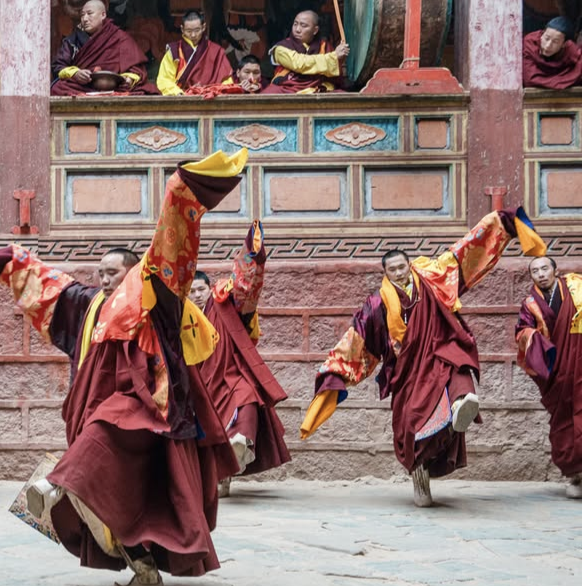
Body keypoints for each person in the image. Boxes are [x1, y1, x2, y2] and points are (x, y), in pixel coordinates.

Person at [0, 148, 248, 586]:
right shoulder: (89, 303)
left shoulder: (157, 292)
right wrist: (9, 264)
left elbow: (171, 242)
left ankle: (55, 487)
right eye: (101, 272)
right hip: (98, 404)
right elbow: (50, 284)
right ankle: (144, 572)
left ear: (133, 271)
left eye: (112, 272)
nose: (105, 278)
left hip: (146, 408)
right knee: (126, 496)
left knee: (98, 453)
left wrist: (181, 191)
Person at [301, 208, 547, 507]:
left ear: (409, 265)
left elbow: (465, 251)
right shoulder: (377, 303)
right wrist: (334, 372)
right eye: (392, 269)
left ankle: (461, 406)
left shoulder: (432, 277)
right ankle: (421, 484)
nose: (399, 271)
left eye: (402, 266)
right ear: (386, 272)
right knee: (412, 426)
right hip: (407, 372)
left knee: (459, 371)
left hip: (441, 349)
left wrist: (503, 223)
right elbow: (356, 340)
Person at [188, 221, 289, 497]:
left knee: (248, 399)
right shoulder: (182, 317)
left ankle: (240, 446)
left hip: (232, 375)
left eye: (200, 290)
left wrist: (252, 253)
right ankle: (221, 473)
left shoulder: (224, 304)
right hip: (203, 384)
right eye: (190, 292)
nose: (196, 296)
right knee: (207, 430)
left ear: (209, 289)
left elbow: (246, 287)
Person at [515, 256, 582, 499]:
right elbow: (521, 331)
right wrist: (533, 337)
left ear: (556, 270)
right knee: (564, 421)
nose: (541, 274)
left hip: (580, 362)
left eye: (545, 268)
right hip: (557, 372)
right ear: (531, 276)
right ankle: (575, 474)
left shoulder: (577, 289)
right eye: (535, 271)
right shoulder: (530, 303)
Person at [51, 0, 157, 96]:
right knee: (58, 88)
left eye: (90, 14)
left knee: (145, 90)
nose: (85, 19)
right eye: (82, 15)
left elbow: (137, 69)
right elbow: (58, 67)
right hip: (82, 86)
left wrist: (128, 78)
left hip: (116, 87)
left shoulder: (119, 37)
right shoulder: (73, 40)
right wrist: (75, 73)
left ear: (103, 15)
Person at [263, 10, 348, 93]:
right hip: (289, 88)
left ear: (315, 30)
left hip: (318, 88)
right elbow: (299, 64)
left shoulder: (324, 46)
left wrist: (340, 57)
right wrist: (334, 57)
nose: (297, 29)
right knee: (270, 92)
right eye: (295, 24)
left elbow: (334, 73)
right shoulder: (280, 48)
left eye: (303, 26)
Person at [156, 11, 237, 96]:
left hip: (210, 98)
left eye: (197, 30)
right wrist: (179, 93)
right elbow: (164, 79)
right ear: (182, 29)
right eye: (189, 31)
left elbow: (227, 80)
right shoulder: (175, 51)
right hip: (181, 99)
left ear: (203, 27)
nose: (193, 35)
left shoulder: (216, 51)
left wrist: (213, 91)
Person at [522, 16, 582, 89]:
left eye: (555, 42)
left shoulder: (571, 50)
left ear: (564, 44)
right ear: (542, 35)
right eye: (546, 38)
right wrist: (564, 81)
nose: (548, 45)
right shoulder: (529, 43)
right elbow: (529, 80)